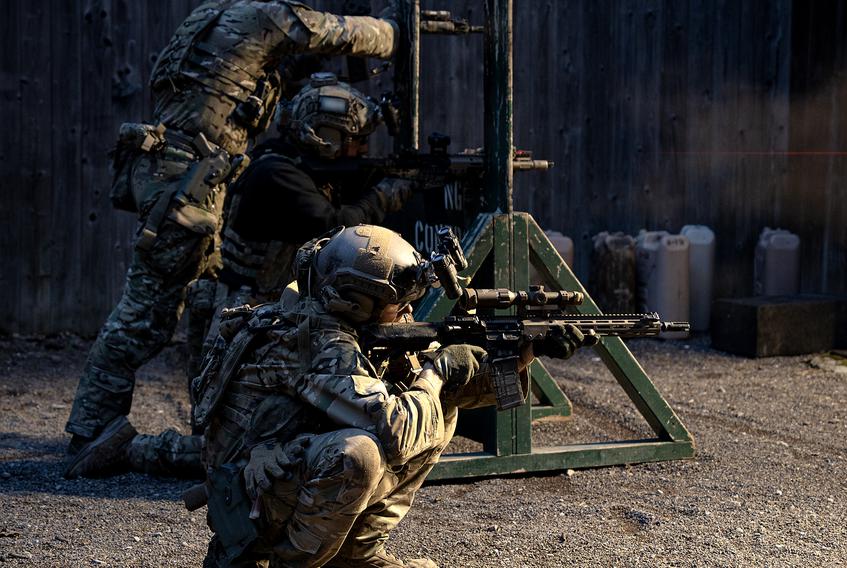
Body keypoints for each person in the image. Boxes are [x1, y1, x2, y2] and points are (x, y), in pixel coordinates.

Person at [65, 0, 401, 470]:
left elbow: (282, 63)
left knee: (173, 305)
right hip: (187, 181)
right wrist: (397, 31)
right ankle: (93, 435)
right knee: (145, 316)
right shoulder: (262, 17)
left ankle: (104, 427)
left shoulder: (215, 17)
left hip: (185, 172)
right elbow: (334, 33)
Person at [190, 225, 585, 566]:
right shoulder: (316, 340)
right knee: (360, 453)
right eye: (400, 303)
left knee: (436, 405)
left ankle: (354, 555)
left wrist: (526, 351)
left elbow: (458, 388)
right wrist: (440, 368)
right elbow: (398, 431)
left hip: (280, 478)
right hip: (246, 504)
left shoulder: (348, 325)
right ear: (358, 301)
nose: (408, 311)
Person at [185, 72, 415, 379]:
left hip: (267, 308)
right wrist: (388, 193)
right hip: (245, 312)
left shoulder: (291, 164)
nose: (362, 149)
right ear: (326, 135)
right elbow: (335, 226)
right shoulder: (275, 172)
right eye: (356, 140)